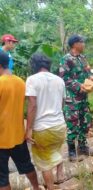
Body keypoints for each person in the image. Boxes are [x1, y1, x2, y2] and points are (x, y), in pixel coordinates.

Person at [25, 53, 67, 189]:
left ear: (34, 65)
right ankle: (60, 174)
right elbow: (62, 104)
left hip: (42, 128)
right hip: (60, 126)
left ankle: (50, 186)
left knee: (45, 163)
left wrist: (29, 129)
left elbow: (32, 105)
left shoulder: (32, 80)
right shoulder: (59, 80)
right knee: (55, 148)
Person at [0, 51, 40, 190]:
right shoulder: (20, 82)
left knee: (2, 178)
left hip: (1, 139)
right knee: (27, 165)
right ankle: (36, 187)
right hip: (18, 135)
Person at [59, 34, 93, 162]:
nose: (84, 44)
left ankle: (83, 147)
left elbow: (88, 71)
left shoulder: (83, 58)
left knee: (84, 122)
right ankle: (72, 151)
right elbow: (64, 77)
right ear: (75, 44)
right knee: (72, 124)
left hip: (84, 97)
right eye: (82, 42)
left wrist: (91, 77)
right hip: (72, 99)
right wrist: (78, 86)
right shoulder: (66, 59)